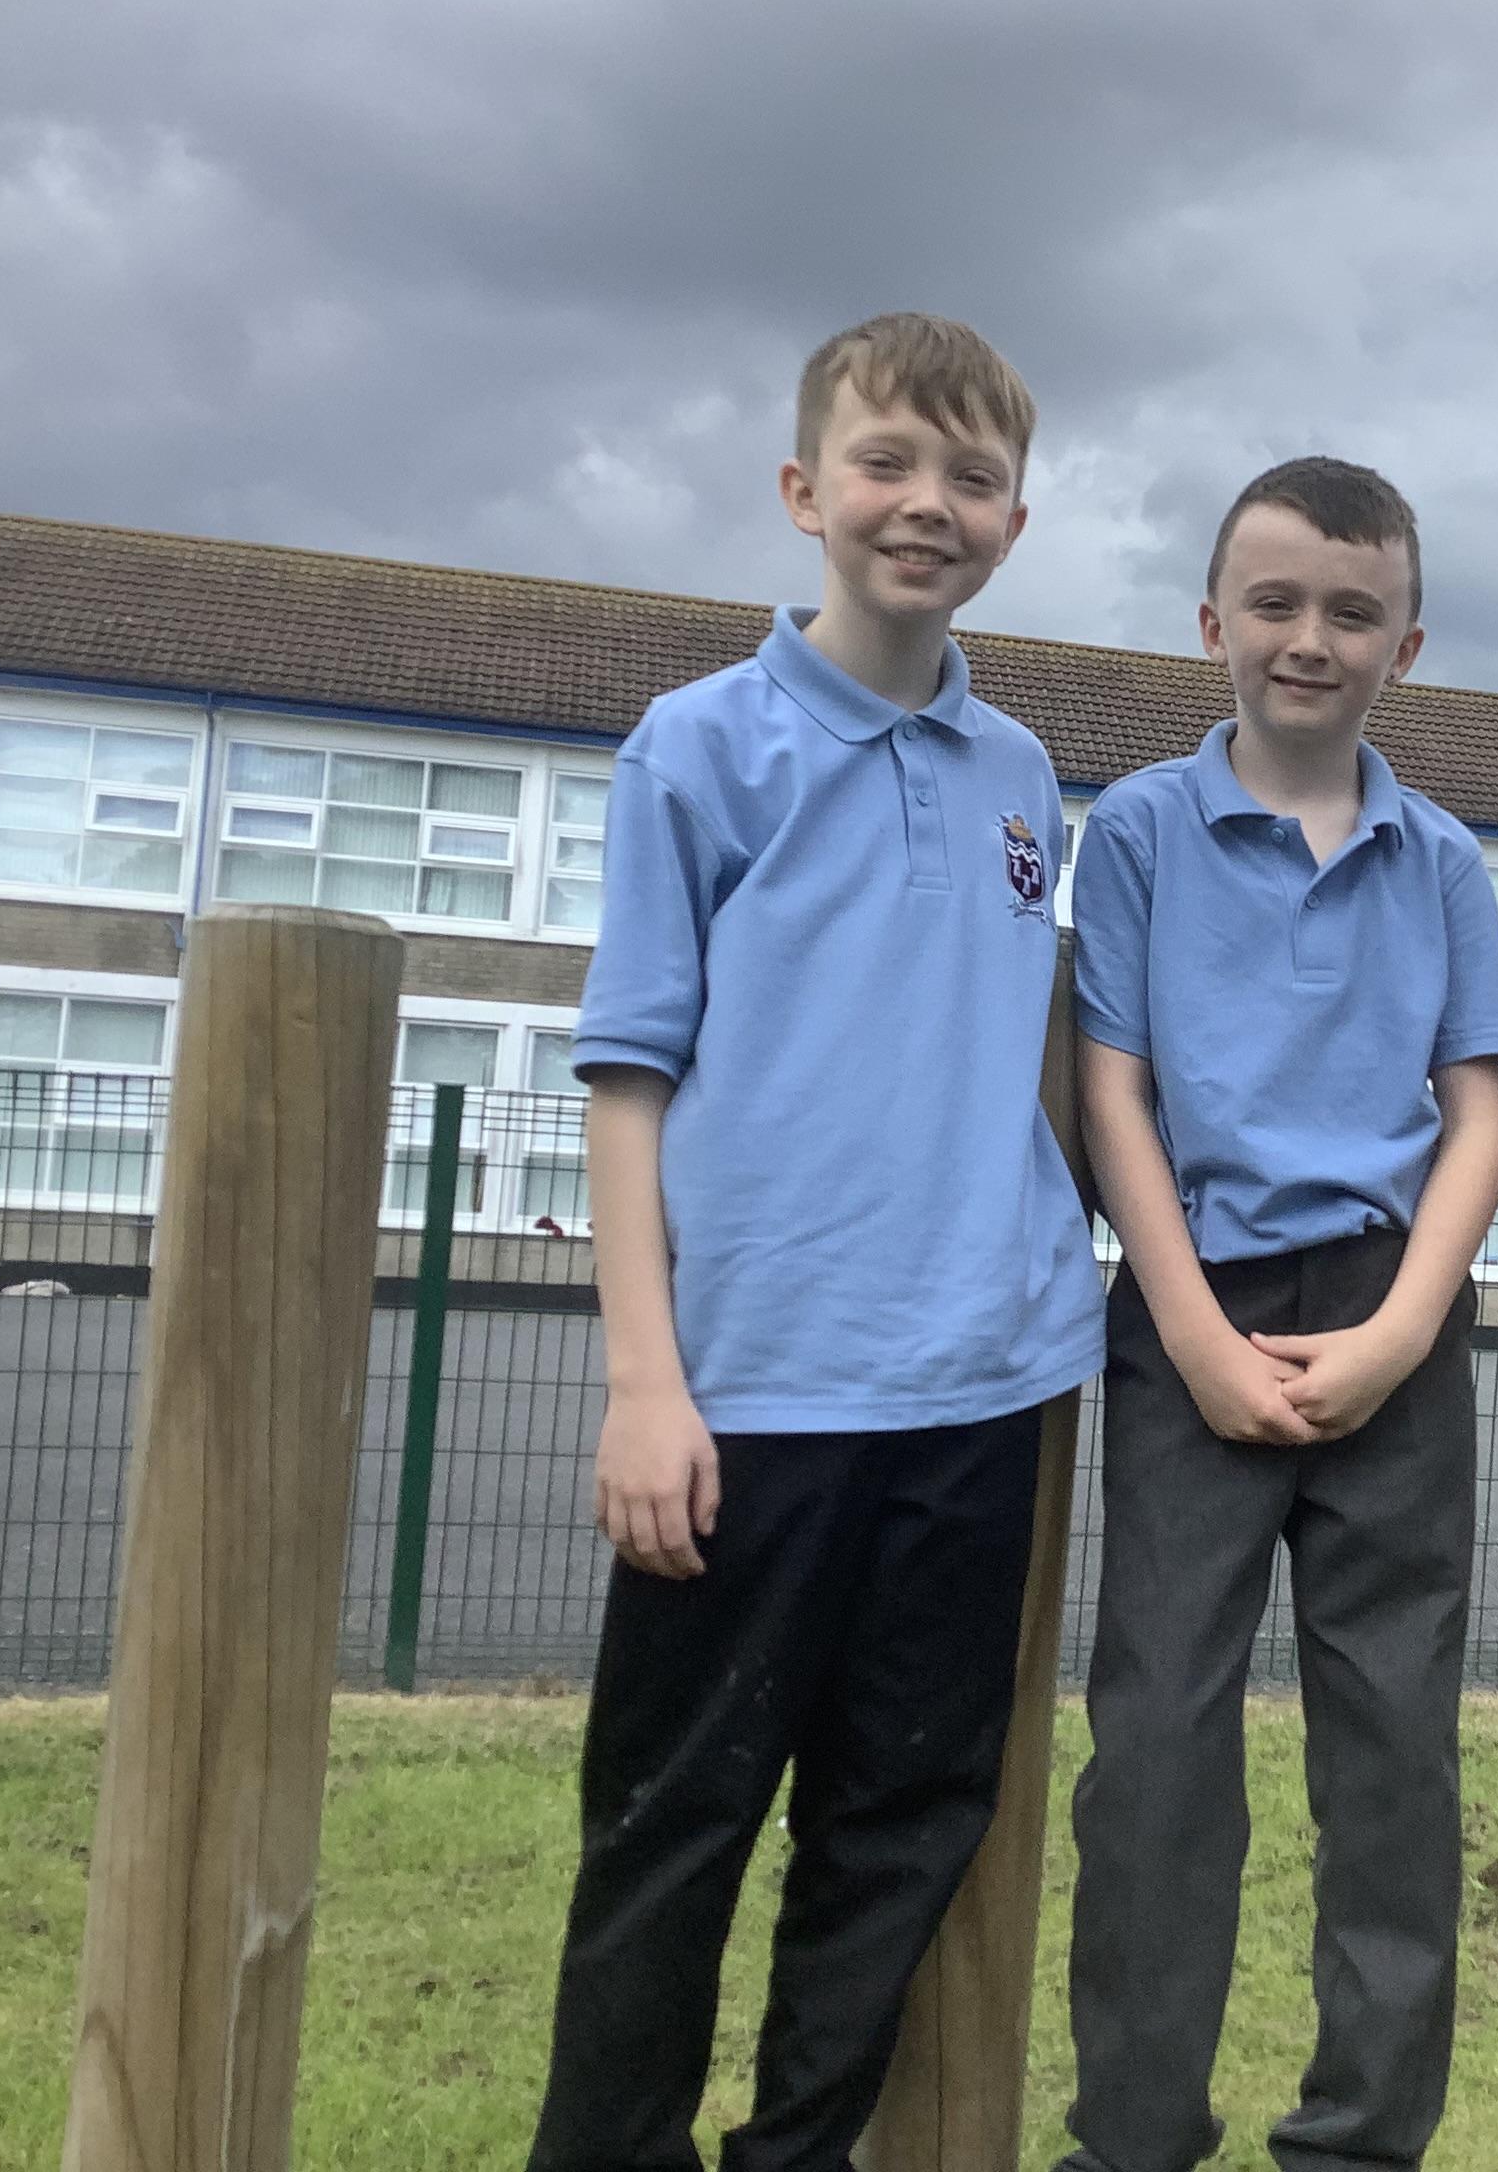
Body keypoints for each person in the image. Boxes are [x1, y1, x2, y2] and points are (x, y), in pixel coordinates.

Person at [526, 313, 1104, 2172]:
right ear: (803, 490)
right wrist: (645, 1382)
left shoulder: (1021, 771)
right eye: (885, 462)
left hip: (983, 1388)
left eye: (972, 477)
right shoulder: (699, 747)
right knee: (673, 1824)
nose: (926, 503)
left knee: (903, 1819)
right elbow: (629, 1079)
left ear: (1015, 521)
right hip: (752, 1389)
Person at [1056, 458, 1498, 2172]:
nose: (1309, 638)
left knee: (1393, 1752)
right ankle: (1132, 2135)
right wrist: (1188, 1330)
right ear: (1213, 624)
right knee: (1157, 1744)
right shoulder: (1138, 832)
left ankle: (1360, 2139)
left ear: (1407, 641)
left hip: (1392, 1322)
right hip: (1194, 1309)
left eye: (1351, 610)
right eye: (1274, 603)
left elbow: (1478, 1114)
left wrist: (1401, 1333)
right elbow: (1111, 1091)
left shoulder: (1443, 858)